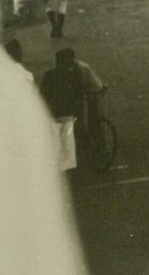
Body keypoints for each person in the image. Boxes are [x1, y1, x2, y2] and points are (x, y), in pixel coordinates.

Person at [0, 54, 89, 274]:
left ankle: (62, 165)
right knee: (68, 142)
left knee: (58, 141)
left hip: (54, 115)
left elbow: (43, 93)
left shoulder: (48, 76)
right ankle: (69, 168)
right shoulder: (69, 76)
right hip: (67, 114)